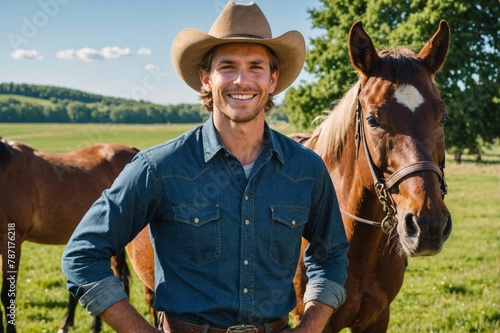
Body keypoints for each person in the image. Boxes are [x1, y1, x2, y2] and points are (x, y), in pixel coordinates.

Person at [61, 2, 349, 332]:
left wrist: (311, 326)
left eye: (256, 67)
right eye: (227, 67)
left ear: (273, 79)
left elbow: (332, 254)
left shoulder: (306, 169)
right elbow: (82, 255)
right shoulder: (159, 168)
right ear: (206, 79)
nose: (242, 80)